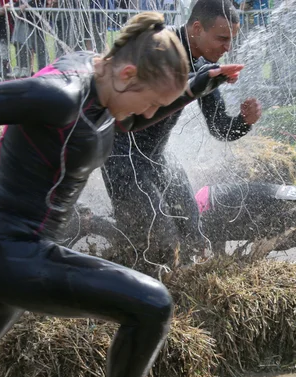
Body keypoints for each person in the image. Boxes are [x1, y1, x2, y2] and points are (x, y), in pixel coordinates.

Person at [0, 12, 242, 377]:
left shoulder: (104, 90)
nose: (151, 114)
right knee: (153, 304)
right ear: (126, 74)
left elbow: (126, 120)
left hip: (11, 255)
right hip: (9, 250)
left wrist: (199, 86)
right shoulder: (58, 95)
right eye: (151, 102)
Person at [101, 0, 262, 269]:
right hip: (121, 156)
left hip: (158, 156)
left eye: (232, 39)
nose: (228, 48)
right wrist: (200, 82)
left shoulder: (204, 64)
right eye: (222, 38)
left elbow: (220, 127)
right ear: (197, 28)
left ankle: (183, 297)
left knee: (193, 231)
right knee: (158, 241)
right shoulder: (160, 45)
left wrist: (245, 121)